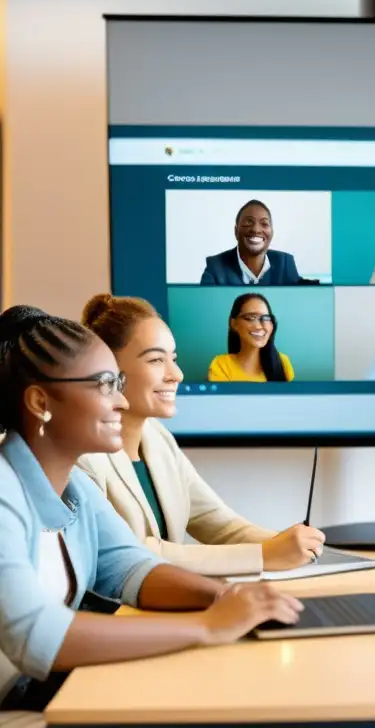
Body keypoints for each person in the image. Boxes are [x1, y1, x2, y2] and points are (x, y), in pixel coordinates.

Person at [0, 305, 302, 712]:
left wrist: (227, 597)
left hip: (40, 693)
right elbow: (36, 635)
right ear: (40, 401)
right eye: (104, 385)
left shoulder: (75, 487)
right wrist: (205, 627)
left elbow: (132, 567)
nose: (120, 401)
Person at [77, 294, 325, 577]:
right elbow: (130, 552)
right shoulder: (80, 456)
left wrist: (291, 543)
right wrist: (263, 555)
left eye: (174, 359)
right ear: (106, 370)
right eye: (156, 360)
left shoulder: (158, 439)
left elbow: (219, 524)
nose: (177, 374)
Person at [200, 199, 302, 286]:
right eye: (248, 222)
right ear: (236, 231)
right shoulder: (216, 268)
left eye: (264, 223)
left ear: (272, 232)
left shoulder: (285, 263)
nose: (256, 229)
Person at [208, 293, 294, 382]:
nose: (259, 326)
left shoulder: (283, 362)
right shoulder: (221, 365)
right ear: (233, 323)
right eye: (251, 318)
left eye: (266, 318)